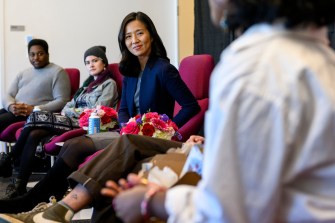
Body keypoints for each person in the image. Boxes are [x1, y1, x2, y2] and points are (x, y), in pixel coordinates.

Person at [108, 0, 335, 222]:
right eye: (128, 36)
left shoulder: (254, 68)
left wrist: (151, 200)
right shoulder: (319, 58)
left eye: (138, 33)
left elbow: (228, 211)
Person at [0, 11, 200, 220]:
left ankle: (32, 202)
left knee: (76, 146)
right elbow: (123, 109)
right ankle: (41, 202)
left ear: (151, 34)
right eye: (128, 36)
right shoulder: (130, 70)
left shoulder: (163, 69)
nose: (134, 41)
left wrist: (165, 129)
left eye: (139, 33)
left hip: (148, 139)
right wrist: (126, 125)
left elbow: (190, 106)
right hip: (126, 133)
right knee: (71, 145)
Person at [0, 45, 119, 198]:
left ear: (104, 63)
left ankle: (10, 158)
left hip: (85, 123)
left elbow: (97, 109)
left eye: (95, 61)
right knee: (34, 132)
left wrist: (71, 110)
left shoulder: (109, 84)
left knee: (35, 116)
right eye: (88, 62)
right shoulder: (86, 86)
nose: (91, 65)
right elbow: (68, 104)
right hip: (70, 119)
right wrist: (71, 110)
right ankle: (20, 186)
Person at [0, 38, 70, 136]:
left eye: (40, 54)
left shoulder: (58, 72)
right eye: (32, 54)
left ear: (47, 54)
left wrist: (34, 109)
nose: (36, 58)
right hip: (15, 111)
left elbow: (62, 101)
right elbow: (8, 95)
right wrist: (10, 106)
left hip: (33, 115)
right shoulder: (23, 73)